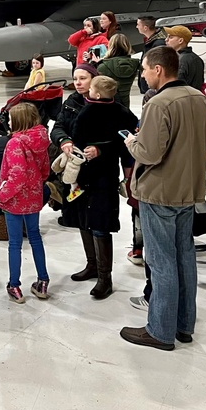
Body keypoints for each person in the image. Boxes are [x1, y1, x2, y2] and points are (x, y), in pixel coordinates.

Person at [120, 46, 206, 351]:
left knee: (161, 262)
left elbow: (149, 152)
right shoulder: (198, 97)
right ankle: (184, 324)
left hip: (160, 192)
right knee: (184, 257)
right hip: (189, 189)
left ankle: (160, 330)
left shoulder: (158, 103)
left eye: (145, 69)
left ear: (159, 69)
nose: (144, 75)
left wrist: (131, 142)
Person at [70, 75, 138, 299]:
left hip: (99, 175)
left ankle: (104, 277)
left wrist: (99, 150)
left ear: (96, 93)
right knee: (84, 218)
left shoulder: (88, 112)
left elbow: (78, 136)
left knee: (100, 222)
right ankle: (92, 266)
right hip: (96, 172)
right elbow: (129, 136)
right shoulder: (122, 111)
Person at [0, 102, 51, 303]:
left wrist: (2, 196)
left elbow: (17, 175)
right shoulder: (41, 141)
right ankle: (43, 281)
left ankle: (14, 285)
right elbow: (45, 171)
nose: (8, 122)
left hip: (15, 200)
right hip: (34, 197)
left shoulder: (15, 143)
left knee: (15, 243)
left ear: (18, 121)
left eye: (10, 118)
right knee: (35, 237)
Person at [49, 63, 96, 226]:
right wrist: (64, 140)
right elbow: (57, 127)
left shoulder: (106, 102)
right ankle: (69, 214)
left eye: (83, 78)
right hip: (73, 159)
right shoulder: (71, 101)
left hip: (96, 163)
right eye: (75, 79)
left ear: (94, 80)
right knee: (72, 196)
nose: (78, 83)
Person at [96, 34, 140, 109]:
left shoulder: (103, 66)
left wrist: (96, 64)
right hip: (125, 102)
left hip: (109, 104)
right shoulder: (135, 65)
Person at [163, 25, 206, 92]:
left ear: (180, 41)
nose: (166, 39)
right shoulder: (197, 59)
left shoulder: (181, 61)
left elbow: (177, 88)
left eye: (171, 37)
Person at [135, 16, 166, 94]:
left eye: (138, 24)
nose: (136, 27)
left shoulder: (158, 43)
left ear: (145, 28)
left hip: (153, 86)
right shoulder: (151, 42)